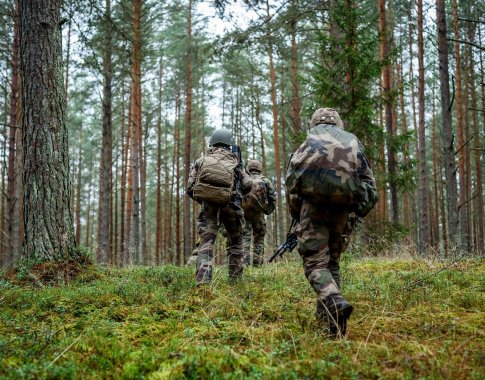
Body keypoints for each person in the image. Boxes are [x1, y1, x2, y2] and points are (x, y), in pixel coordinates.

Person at [286, 108, 378, 338]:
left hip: (313, 210)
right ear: (339, 123)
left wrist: (298, 214)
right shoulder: (353, 144)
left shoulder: (308, 143)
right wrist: (356, 209)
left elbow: (292, 184)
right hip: (342, 213)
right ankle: (330, 326)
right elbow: (369, 185)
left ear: (314, 123)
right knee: (332, 264)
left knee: (315, 264)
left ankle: (334, 301)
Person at [187, 129, 246, 285]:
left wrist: (205, 199)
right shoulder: (235, 161)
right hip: (231, 205)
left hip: (209, 208)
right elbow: (247, 185)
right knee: (236, 241)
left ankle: (203, 283)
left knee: (206, 243)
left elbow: (189, 187)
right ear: (229, 143)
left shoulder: (202, 160)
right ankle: (235, 281)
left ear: (212, 142)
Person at [240, 159, 276, 266]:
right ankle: (257, 264)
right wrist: (266, 211)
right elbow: (273, 198)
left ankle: (244, 264)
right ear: (260, 168)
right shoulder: (265, 180)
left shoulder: (243, 180)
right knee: (259, 239)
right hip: (259, 215)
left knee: (245, 239)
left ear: (248, 168)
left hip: (244, 214)